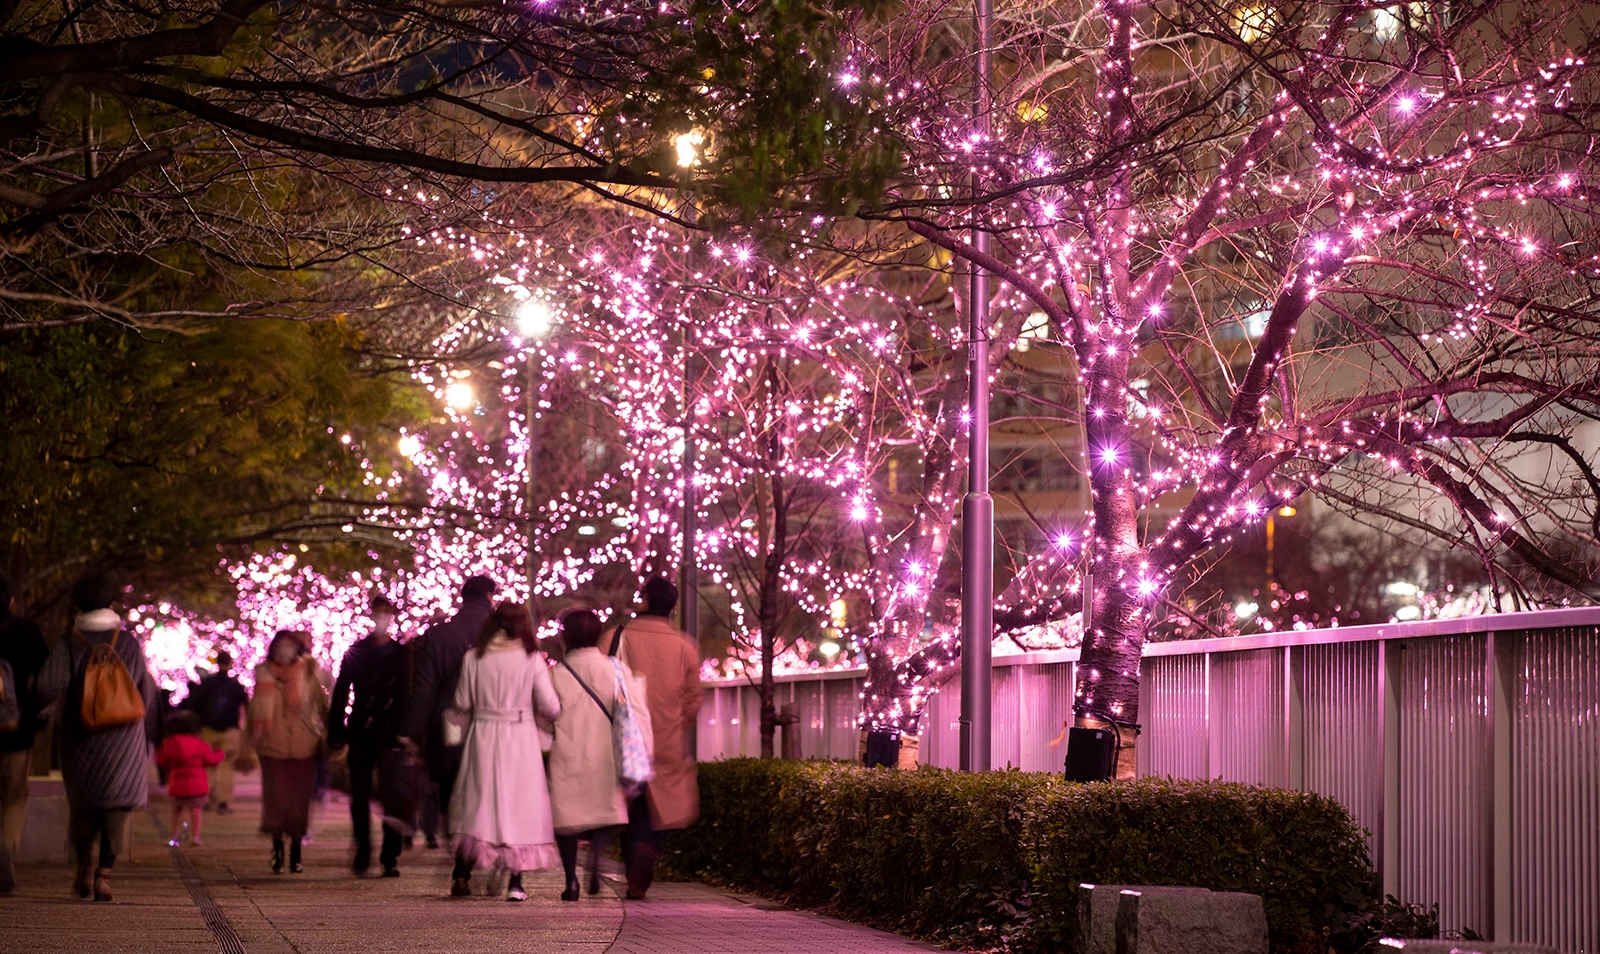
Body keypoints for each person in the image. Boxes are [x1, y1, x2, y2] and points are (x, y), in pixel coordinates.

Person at [37, 575, 158, 902]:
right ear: (112, 602)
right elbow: (145, 692)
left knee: (84, 806)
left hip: (82, 736)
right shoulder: (129, 642)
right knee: (117, 807)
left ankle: (84, 870)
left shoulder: (70, 641)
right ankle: (105, 876)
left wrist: (36, 710)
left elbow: (49, 686)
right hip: (123, 737)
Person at [446, 601, 561, 902]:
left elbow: (462, 701)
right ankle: (516, 881)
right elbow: (551, 705)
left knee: (478, 804)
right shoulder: (531, 658)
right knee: (518, 807)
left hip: (482, 735)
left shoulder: (474, 657)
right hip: (519, 736)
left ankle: (461, 873)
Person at [600, 576, 702, 899]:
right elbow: (692, 699)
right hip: (666, 739)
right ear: (672, 607)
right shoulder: (684, 645)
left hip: (624, 737)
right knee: (652, 809)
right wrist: (675, 725)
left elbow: (601, 683)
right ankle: (643, 854)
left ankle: (635, 860)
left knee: (631, 805)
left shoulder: (616, 638)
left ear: (643, 600)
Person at [403, 575, 495, 836]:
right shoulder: (501, 634)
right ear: (490, 596)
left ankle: (456, 837)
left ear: (463, 598)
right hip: (490, 721)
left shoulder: (438, 635)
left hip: (447, 722)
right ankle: (478, 836)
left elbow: (423, 689)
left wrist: (414, 732)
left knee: (451, 782)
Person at [548, 610, 628, 901]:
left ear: (565, 636)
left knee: (568, 820)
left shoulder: (556, 674)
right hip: (604, 751)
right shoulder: (614, 669)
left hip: (568, 751)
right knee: (602, 811)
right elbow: (626, 710)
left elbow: (545, 716)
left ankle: (571, 881)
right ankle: (595, 860)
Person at [329, 594, 410, 877]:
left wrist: (407, 731)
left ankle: (389, 854)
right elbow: (341, 693)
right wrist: (336, 732)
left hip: (389, 731)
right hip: (363, 727)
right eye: (378, 612)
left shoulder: (400, 653)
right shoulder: (357, 651)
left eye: (386, 613)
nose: (381, 618)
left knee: (392, 795)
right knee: (361, 794)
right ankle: (364, 849)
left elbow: (406, 693)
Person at [249, 630, 328, 874]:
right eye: (280, 645)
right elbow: (255, 711)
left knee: (298, 802)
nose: (284, 650)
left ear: (297, 649)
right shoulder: (263, 673)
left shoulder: (309, 671)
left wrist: (331, 736)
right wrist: (249, 745)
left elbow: (321, 706)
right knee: (276, 801)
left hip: (304, 747)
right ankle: (277, 846)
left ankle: (295, 850)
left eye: (289, 646)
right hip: (272, 746)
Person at [0, 576, 48, 895]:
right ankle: (4, 857)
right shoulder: (26, 631)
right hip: (15, 734)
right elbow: (46, 680)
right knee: (13, 799)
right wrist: (32, 716)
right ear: (10, 603)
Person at [184, 649, 249, 814]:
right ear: (230, 663)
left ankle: (208, 797)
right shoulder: (236, 686)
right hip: (230, 731)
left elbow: (193, 706)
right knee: (228, 765)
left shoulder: (206, 684)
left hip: (208, 729)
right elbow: (246, 707)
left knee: (208, 765)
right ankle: (223, 802)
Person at [155, 711, 223, 846]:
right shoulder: (200, 744)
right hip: (197, 787)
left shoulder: (169, 744)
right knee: (196, 811)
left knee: (177, 810)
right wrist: (220, 753)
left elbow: (162, 761)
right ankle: (195, 837)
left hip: (177, 786)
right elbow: (211, 760)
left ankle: (174, 837)